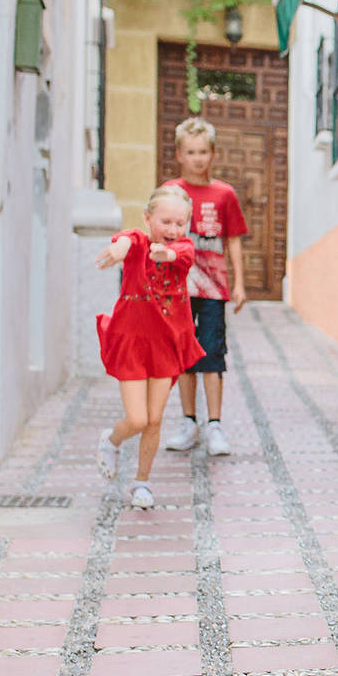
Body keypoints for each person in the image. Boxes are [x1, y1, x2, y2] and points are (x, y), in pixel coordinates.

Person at [95, 186, 207, 509]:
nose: (173, 230)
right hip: (132, 341)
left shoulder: (183, 249)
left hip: (165, 343)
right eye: (165, 222)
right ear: (148, 219)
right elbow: (126, 239)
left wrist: (169, 253)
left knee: (155, 419)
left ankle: (141, 483)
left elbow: (184, 254)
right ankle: (112, 439)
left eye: (179, 223)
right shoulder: (138, 243)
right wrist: (120, 249)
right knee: (138, 419)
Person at [159, 117, 248, 457]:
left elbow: (234, 240)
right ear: (179, 154)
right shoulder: (172, 192)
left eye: (203, 152)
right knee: (183, 356)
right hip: (178, 289)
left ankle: (214, 425)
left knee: (212, 354)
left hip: (212, 289)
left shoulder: (224, 194)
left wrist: (238, 284)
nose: (197, 158)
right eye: (190, 152)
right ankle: (188, 421)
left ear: (213, 154)